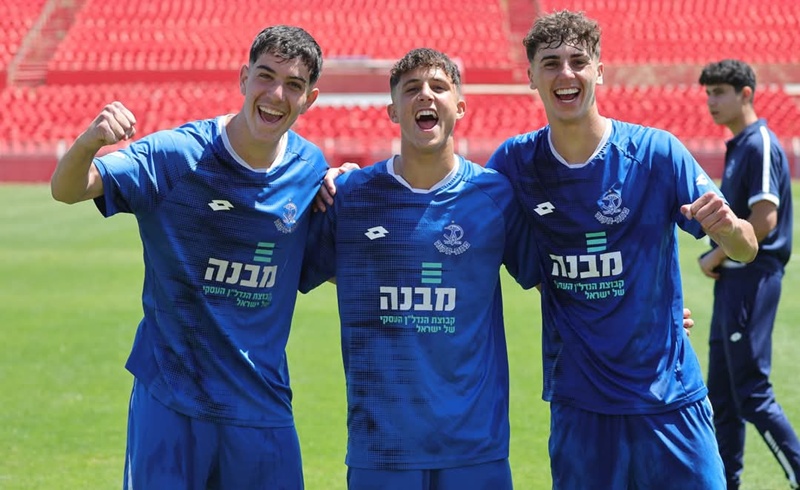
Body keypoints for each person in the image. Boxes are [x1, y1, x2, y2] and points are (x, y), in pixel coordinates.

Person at [485, 10, 759, 489]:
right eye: (550, 63)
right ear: (530, 76)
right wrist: (355, 184)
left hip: (669, 397)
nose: (566, 73)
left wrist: (731, 229)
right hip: (580, 404)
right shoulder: (514, 162)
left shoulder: (656, 152)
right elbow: (453, 214)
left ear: (599, 71)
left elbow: (746, 248)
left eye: (578, 61)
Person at [50, 25, 327, 490]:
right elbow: (68, 188)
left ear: (309, 99)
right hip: (172, 399)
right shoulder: (176, 155)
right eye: (265, 76)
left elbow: (332, 260)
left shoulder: (311, 168)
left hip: (260, 403)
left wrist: (342, 184)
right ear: (244, 78)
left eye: (293, 84)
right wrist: (89, 142)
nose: (276, 94)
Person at [300, 48, 542, 490]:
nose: (425, 96)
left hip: (475, 446)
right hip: (382, 446)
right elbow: (287, 271)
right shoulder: (350, 195)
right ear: (393, 111)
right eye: (411, 89)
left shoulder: (495, 196)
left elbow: (553, 282)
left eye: (438, 87)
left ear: (460, 107)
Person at [699, 59, 800, 490]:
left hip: (751, 278)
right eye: (708, 93)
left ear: (745, 94)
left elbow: (764, 219)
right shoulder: (740, 144)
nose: (711, 101)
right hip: (734, 282)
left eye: (720, 92)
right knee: (722, 395)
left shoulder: (758, 143)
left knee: (752, 392)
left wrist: (715, 257)